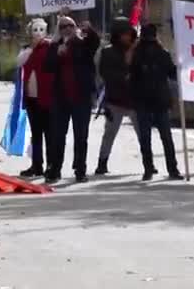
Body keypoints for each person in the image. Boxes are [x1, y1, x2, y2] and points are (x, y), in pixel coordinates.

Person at [43, 15, 100, 183]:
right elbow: (47, 66)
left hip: (81, 98)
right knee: (58, 136)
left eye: (70, 25)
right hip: (61, 99)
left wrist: (89, 29)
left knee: (81, 136)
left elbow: (94, 43)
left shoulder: (83, 44)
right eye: (63, 26)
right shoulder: (54, 46)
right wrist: (57, 53)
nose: (67, 28)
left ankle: (80, 170)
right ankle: (55, 169)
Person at [127, 24, 183, 181]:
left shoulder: (139, 53)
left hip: (145, 101)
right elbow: (172, 74)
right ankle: (172, 169)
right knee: (165, 137)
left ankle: (149, 168)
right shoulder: (161, 53)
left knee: (147, 138)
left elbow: (131, 75)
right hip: (157, 100)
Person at [94, 17, 141, 175]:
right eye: (123, 34)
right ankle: (102, 163)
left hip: (135, 99)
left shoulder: (137, 50)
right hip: (115, 100)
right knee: (109, 134)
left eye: (129, 33)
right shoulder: (107, 52)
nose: (127, 37)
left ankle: (148, 163)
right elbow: (104, 73)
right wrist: (123, 76)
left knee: (143, 134)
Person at [16, 18, 54, 177]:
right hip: (32, 98)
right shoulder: (27, 50)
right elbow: (19, 62)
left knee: (50, 134)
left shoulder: (50, 47)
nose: (38, 33)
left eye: (41, 29)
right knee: (36, 135)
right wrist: (31, 49)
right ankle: (37, 165)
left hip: (48, 98)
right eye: (34, 30)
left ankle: (52, 166)